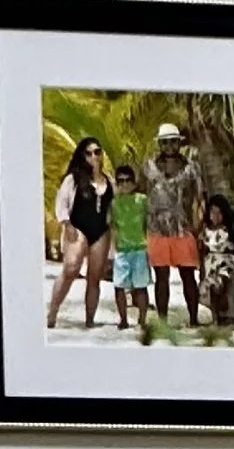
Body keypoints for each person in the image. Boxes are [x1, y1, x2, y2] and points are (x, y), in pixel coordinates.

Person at [46, 136, 112, 329]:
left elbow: (113, 207)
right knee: (70, 269)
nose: (94, 156)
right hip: (77, 227)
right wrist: (67, 225)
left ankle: (90, 319)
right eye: (89, 153)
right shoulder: (73, 179)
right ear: (83, 156)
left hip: (101, 231)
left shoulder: (109, 181)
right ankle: (53, 312)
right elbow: (62, 203)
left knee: (94, 277)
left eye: (97, 152)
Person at [144, 122, 205, 324]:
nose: (169, 146)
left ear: (178, 143)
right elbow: (143, 194)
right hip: (157, 228)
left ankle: (194, 319)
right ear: (160, 144)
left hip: (183, 227)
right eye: (165, 142)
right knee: (161, 277)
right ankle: (162, 321)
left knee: (188, 276)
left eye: (173, 142)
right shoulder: (149, 166)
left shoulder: (191, 167)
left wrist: (199, 224)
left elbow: (200, 197)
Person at [108, 161, 148, 329]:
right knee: (119, 286)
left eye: (128, 180)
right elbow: (111, 225)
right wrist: (113, 246)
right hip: (122, 250)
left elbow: (148, 222)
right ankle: (123, 319)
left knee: (141, 287)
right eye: (121, 181)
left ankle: (142, 320)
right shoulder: (114, 203)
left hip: (140, 249)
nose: (124, 184)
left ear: (134, 182)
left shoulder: (143, 200)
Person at [201, 192, 234, 328]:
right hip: (211, 263)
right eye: (212, 212)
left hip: (225, 263)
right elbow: (203, 249)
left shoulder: (229, 230)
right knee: (211, 290)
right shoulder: (205, 230)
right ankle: (216, 317)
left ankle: (225, 314)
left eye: (219, 213)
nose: (215, 216)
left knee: (220, 286)